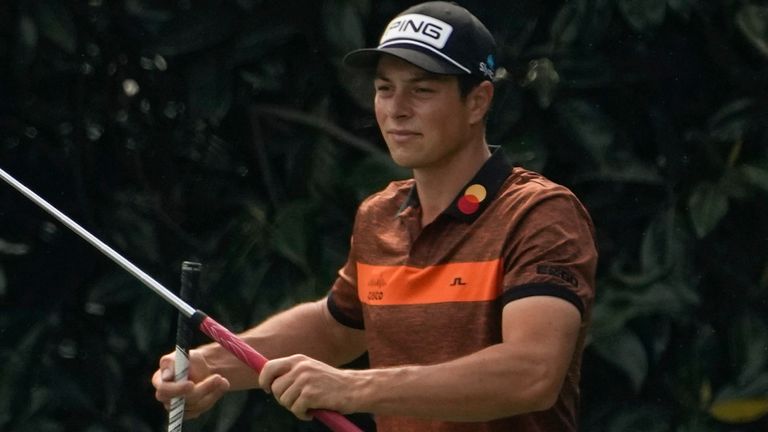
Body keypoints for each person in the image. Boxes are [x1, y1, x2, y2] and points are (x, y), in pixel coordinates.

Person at [152, 2, 598, 431]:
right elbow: (334, 329)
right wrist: (208, 362)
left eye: (421, 90)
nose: (397, 108)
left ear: (478, 101)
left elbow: (532, 373)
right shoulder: (380, 216)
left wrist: (353, 386)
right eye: (385, 88)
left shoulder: (539, 213)